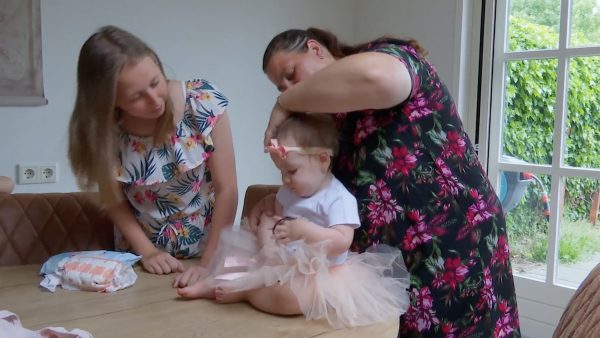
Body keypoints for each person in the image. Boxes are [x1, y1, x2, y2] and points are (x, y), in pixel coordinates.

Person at [253, 27, 521, 337]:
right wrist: (278, 198)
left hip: (452, 240)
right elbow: (322, 185)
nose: (288, 89)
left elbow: (377, 77)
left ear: (315, 49)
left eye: (290, 74)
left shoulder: (387, 55)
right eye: (280, 87)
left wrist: (284, 103)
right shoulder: (332, 120)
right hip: (395, 260)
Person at [178, 113, 409, 329]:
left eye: (292, 171)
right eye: (281, 172)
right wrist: (266, 241)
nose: (285, 180)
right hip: (278, 259)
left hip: (320, 272)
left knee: (292, 298)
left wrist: (305, 231)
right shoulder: (289, 192)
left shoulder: (338, 198)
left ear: (323, 160)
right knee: (234, 260)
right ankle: (211, 284)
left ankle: (246, 292)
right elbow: (272, 218)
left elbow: (342, 241)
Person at [68, 26, 237, 288]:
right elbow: (113, 202)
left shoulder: (202, 101)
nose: (154, 99)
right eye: (137, 96)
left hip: (208, 251)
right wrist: (148, 253)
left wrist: (208, 263)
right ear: (110, 102)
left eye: (155, 82)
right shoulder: (106, 132)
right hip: (141, 261)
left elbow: (227, 189)